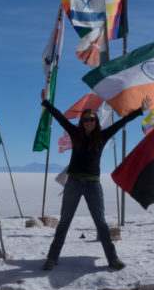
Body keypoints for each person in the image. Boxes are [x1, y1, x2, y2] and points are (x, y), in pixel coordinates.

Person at [39, 89, 147, 271]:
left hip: (93, 185)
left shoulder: (102, 137)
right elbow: (59, 118)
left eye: (92, 119)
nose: (89, 122)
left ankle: (112, 259)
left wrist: (139, 111)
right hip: (73, 183)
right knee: (65, 222)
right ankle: (52, 257)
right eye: (86, 119)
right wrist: (46, 103)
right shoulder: (75, 133)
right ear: (81, 122)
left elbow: (121, 123)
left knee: (101, 223)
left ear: (96, 122)